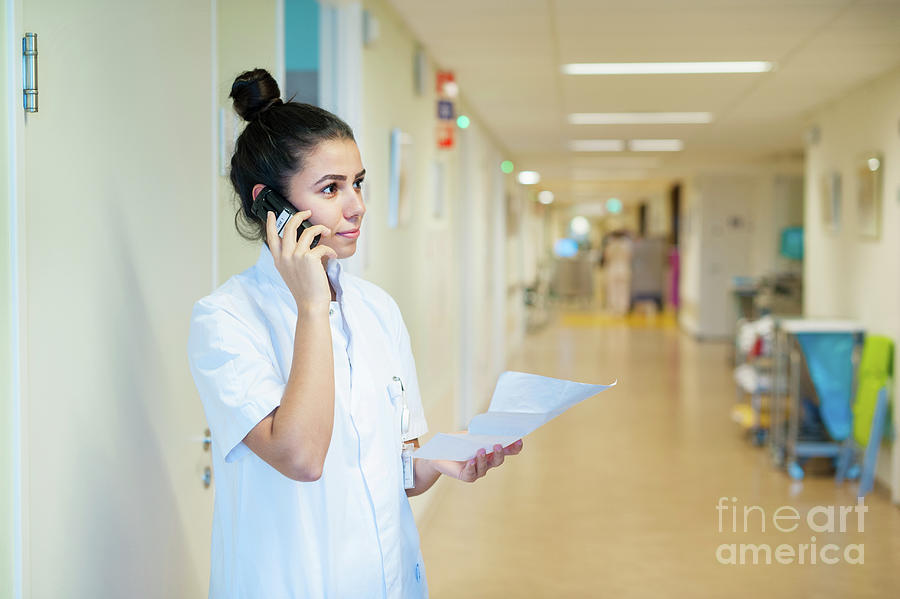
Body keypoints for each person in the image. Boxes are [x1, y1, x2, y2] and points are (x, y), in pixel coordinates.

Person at [187, 68, 522, 599]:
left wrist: (438, 459)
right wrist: (313, 307)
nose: (356, 205)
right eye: (330, 188)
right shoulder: (225, 321)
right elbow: (301, 457)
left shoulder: (377, 309)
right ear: (267, 204)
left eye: (358, 183)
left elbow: (399, 467)